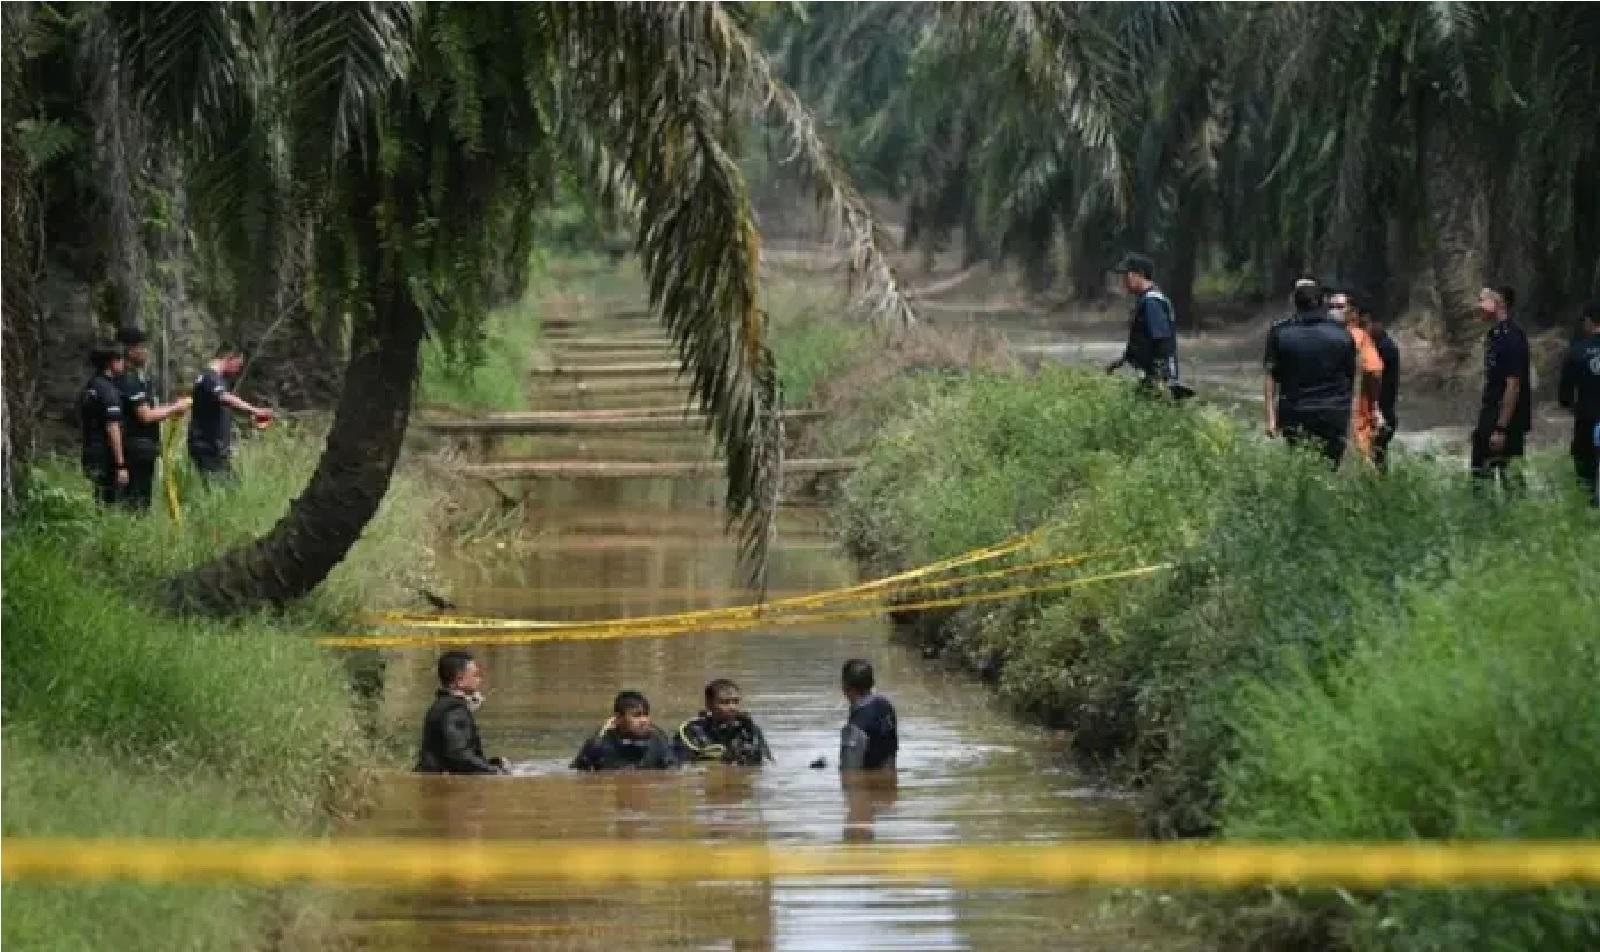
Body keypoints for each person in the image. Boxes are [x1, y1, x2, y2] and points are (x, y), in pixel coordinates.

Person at [1263, 279, 1357, 466]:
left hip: (1295, 412)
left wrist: (1270, 418)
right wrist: (1351, 417)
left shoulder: (1280, 334)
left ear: (1294, 303)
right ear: (1322, 303)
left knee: (1300, 468)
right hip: (1334, 413)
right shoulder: (1343, 335)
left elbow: (1271, 376)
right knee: (1330, 468)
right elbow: (1352, 378)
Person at [114, 326, 191, 510]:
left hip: (145, 446)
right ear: (130, 350)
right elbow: (145, 415)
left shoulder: (141, 379)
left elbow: (151, 410)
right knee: (135, 502)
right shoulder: (127, 379)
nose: (146, 352)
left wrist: (172, 408)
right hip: (134, 447)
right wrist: (175, 408)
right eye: (142, 347)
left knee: (143, 499)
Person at [1470, 285, 1531, 489]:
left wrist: (1501, 427)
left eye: (1482, 300)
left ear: (1499, 303)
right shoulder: (1494, 335)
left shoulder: (1512, 337)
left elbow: (1513, 384)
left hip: (1505, 420)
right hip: (1490, 414)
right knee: (1480, 479)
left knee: (1511, 480)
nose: (1478, 305)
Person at [187, 344, 273, 482]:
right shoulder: (210, 378)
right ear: (229, 358)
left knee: (231, 488)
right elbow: (226, 398)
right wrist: (256, 410)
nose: (238, 370)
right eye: (238, 364)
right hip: (208, 448)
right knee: (224, 490)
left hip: (214, 449)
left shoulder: (215, 380)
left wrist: (250, 417)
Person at [1107, 253, 1188, 398]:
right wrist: (1121, 362)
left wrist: (1162, 379)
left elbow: (1162, 342)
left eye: (1127, 275)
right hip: (1149, 377)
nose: (1124, 281)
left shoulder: (1152, 302)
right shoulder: (1146, 299)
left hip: (1158, 379)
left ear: (1141, 274)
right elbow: (1142, 342)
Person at [416, 650, 508, 775]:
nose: (479, 680)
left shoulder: (441, 705)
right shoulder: (454, 710)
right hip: (447, 789)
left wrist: (491, 763)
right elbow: (460, 757)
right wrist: (496, 771)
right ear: (459, 680)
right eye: (475, 675)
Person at [1327, 290, 1385, 464]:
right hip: (1352, 414)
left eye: (1339, 307)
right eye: (1331, 307)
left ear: (1352, 312)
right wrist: (1375, 405)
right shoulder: (1358, 337)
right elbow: (1375, 371)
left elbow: (1374, 371)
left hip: (1335, 410)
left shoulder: (1357, 337)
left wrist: (1374, 406)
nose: (1334, 311)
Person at [1557, 302, 1600, 503]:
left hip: (1586, 418)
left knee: (1585, 471)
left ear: (1589, 322)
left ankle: (1589, 508)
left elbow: (1565, 393)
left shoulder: (1576, 351)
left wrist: (1571, 407)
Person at [675, 679, 774, 766]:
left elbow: (768, 762)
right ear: (709, 704)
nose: (732, 707)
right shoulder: (690, 732)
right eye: (724, 702)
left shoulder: (749, 730)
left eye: (735, 701)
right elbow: (681, 767)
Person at [571, 690, 679, 770]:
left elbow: (673, 772)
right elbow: (577, 774)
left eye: (646, 715)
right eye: (636, 716)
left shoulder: (658, 740)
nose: (643, 721)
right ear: (618, 719)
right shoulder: (599, 744)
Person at [79, 343, 128, 505]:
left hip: (90, 449)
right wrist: (121, 464)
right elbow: (112, 427)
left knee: (96, 497)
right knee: (107, 500)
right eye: (120, 359)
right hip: (105, 455)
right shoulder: (108, 390)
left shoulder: (91, 386)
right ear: (111, 363)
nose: (123, 363)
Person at [839, 659, 898, 770]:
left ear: (845, 686)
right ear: (872, 682)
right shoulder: (886, 706)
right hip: (889, 783)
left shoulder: (857, 724)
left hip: (866, 786)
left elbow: (849, 772)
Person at [1367, 304, 1402, 472]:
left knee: (1376, 460)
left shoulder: (1382, 348)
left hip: (1380, 412)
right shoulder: (1383, 345)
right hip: (1383, 412)